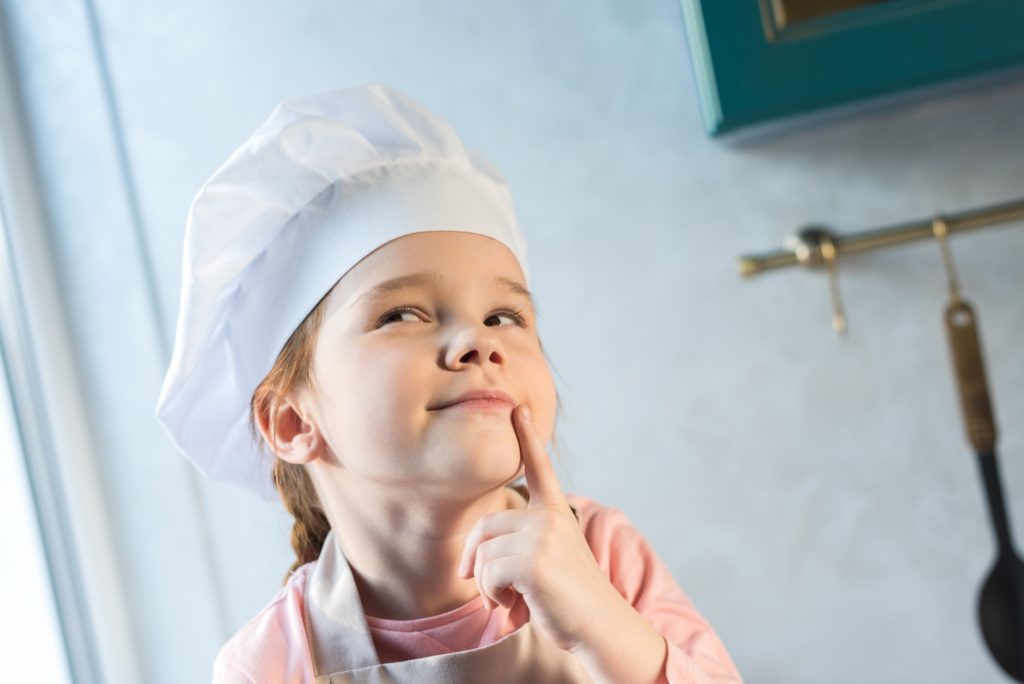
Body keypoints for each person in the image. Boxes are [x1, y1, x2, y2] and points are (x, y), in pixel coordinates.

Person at [156, 84, 743, 683]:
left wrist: (603, 626)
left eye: (504, 317)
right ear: (293, 421)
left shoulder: (600, 551)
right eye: (402, 314)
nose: (477, 341)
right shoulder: (272, 664)